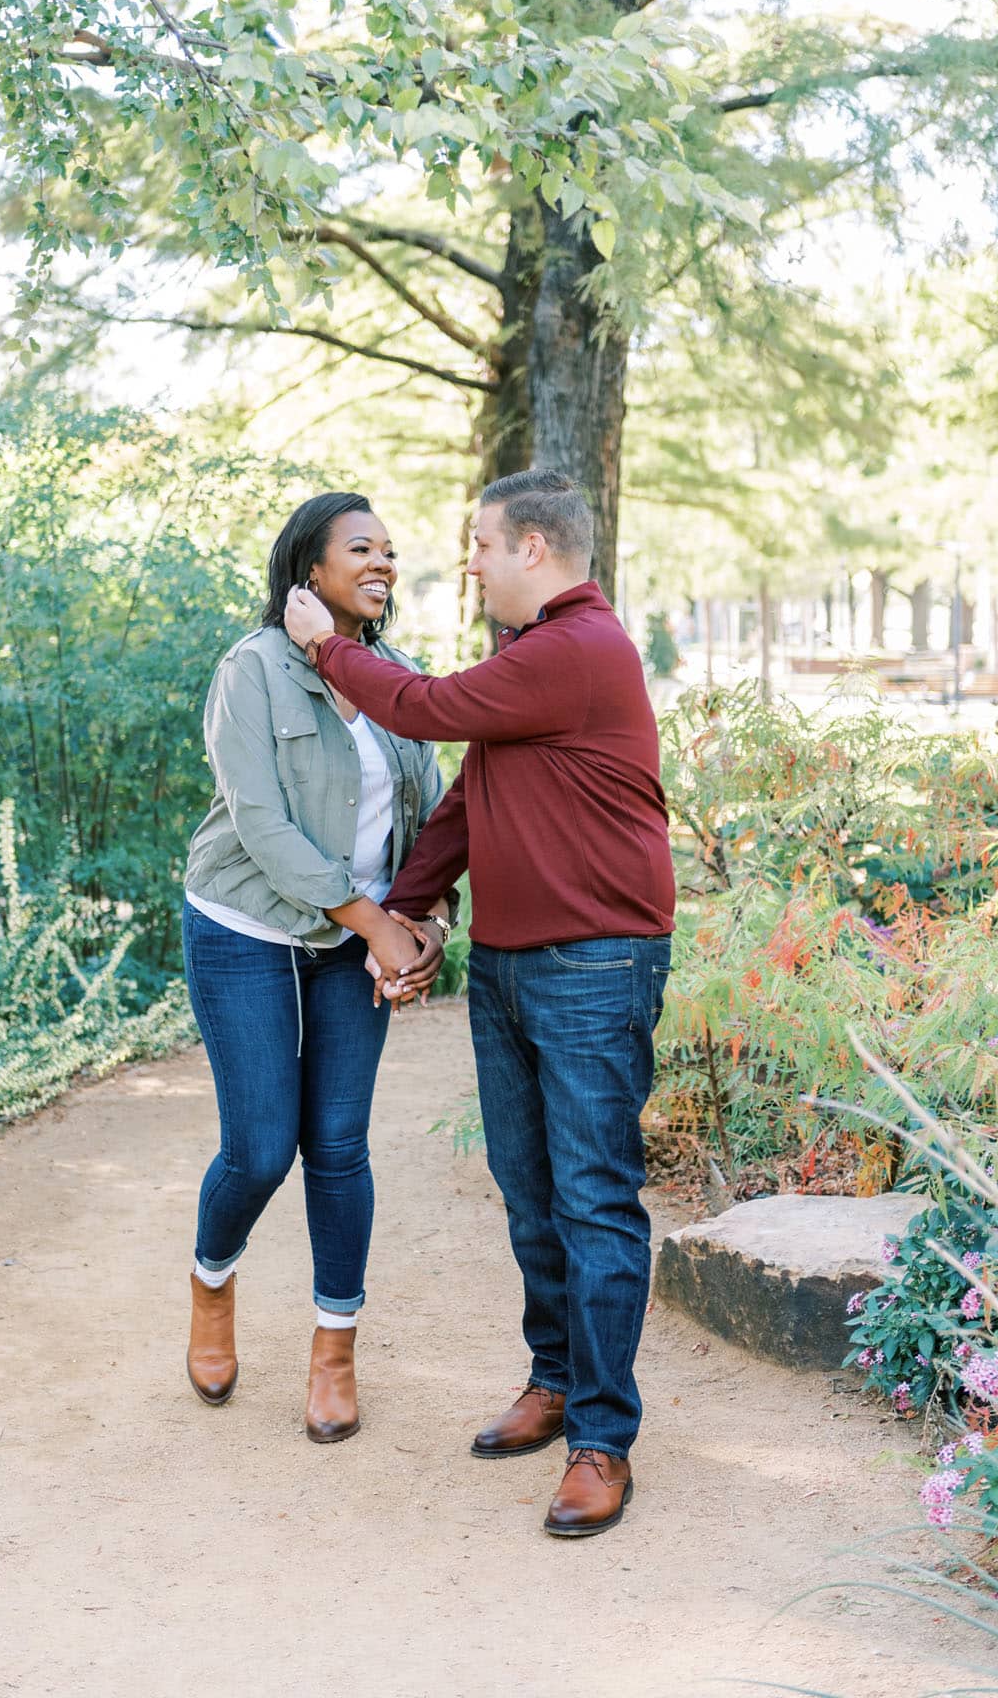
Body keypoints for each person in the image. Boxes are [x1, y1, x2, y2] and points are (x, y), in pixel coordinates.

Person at [284, 469, 674, 1536]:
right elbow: (467, 800)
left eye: (481, 544)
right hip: (507, 963)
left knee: (592, 1195)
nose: (467, 563)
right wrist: (406, 911)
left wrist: (326, 642)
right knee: (528, 1186)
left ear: (536, 548)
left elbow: (423, 707)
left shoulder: (576, 648)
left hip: (594, 964)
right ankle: (553, 1380)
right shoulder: (531, 657)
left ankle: (601, 1438)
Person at [181, 491, 453, 1443]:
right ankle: (212, 1282)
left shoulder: (398, 680)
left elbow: (434, 819)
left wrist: (423, 923)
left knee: (336, 1147)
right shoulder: (250, 670)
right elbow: (259, 825)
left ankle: (333, 1349)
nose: (382, 562)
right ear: (309, 570)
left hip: (359, 937)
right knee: (259, 1147)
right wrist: (376, 923)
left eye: (389, 551)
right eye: (361, 548)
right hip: (244, 924)